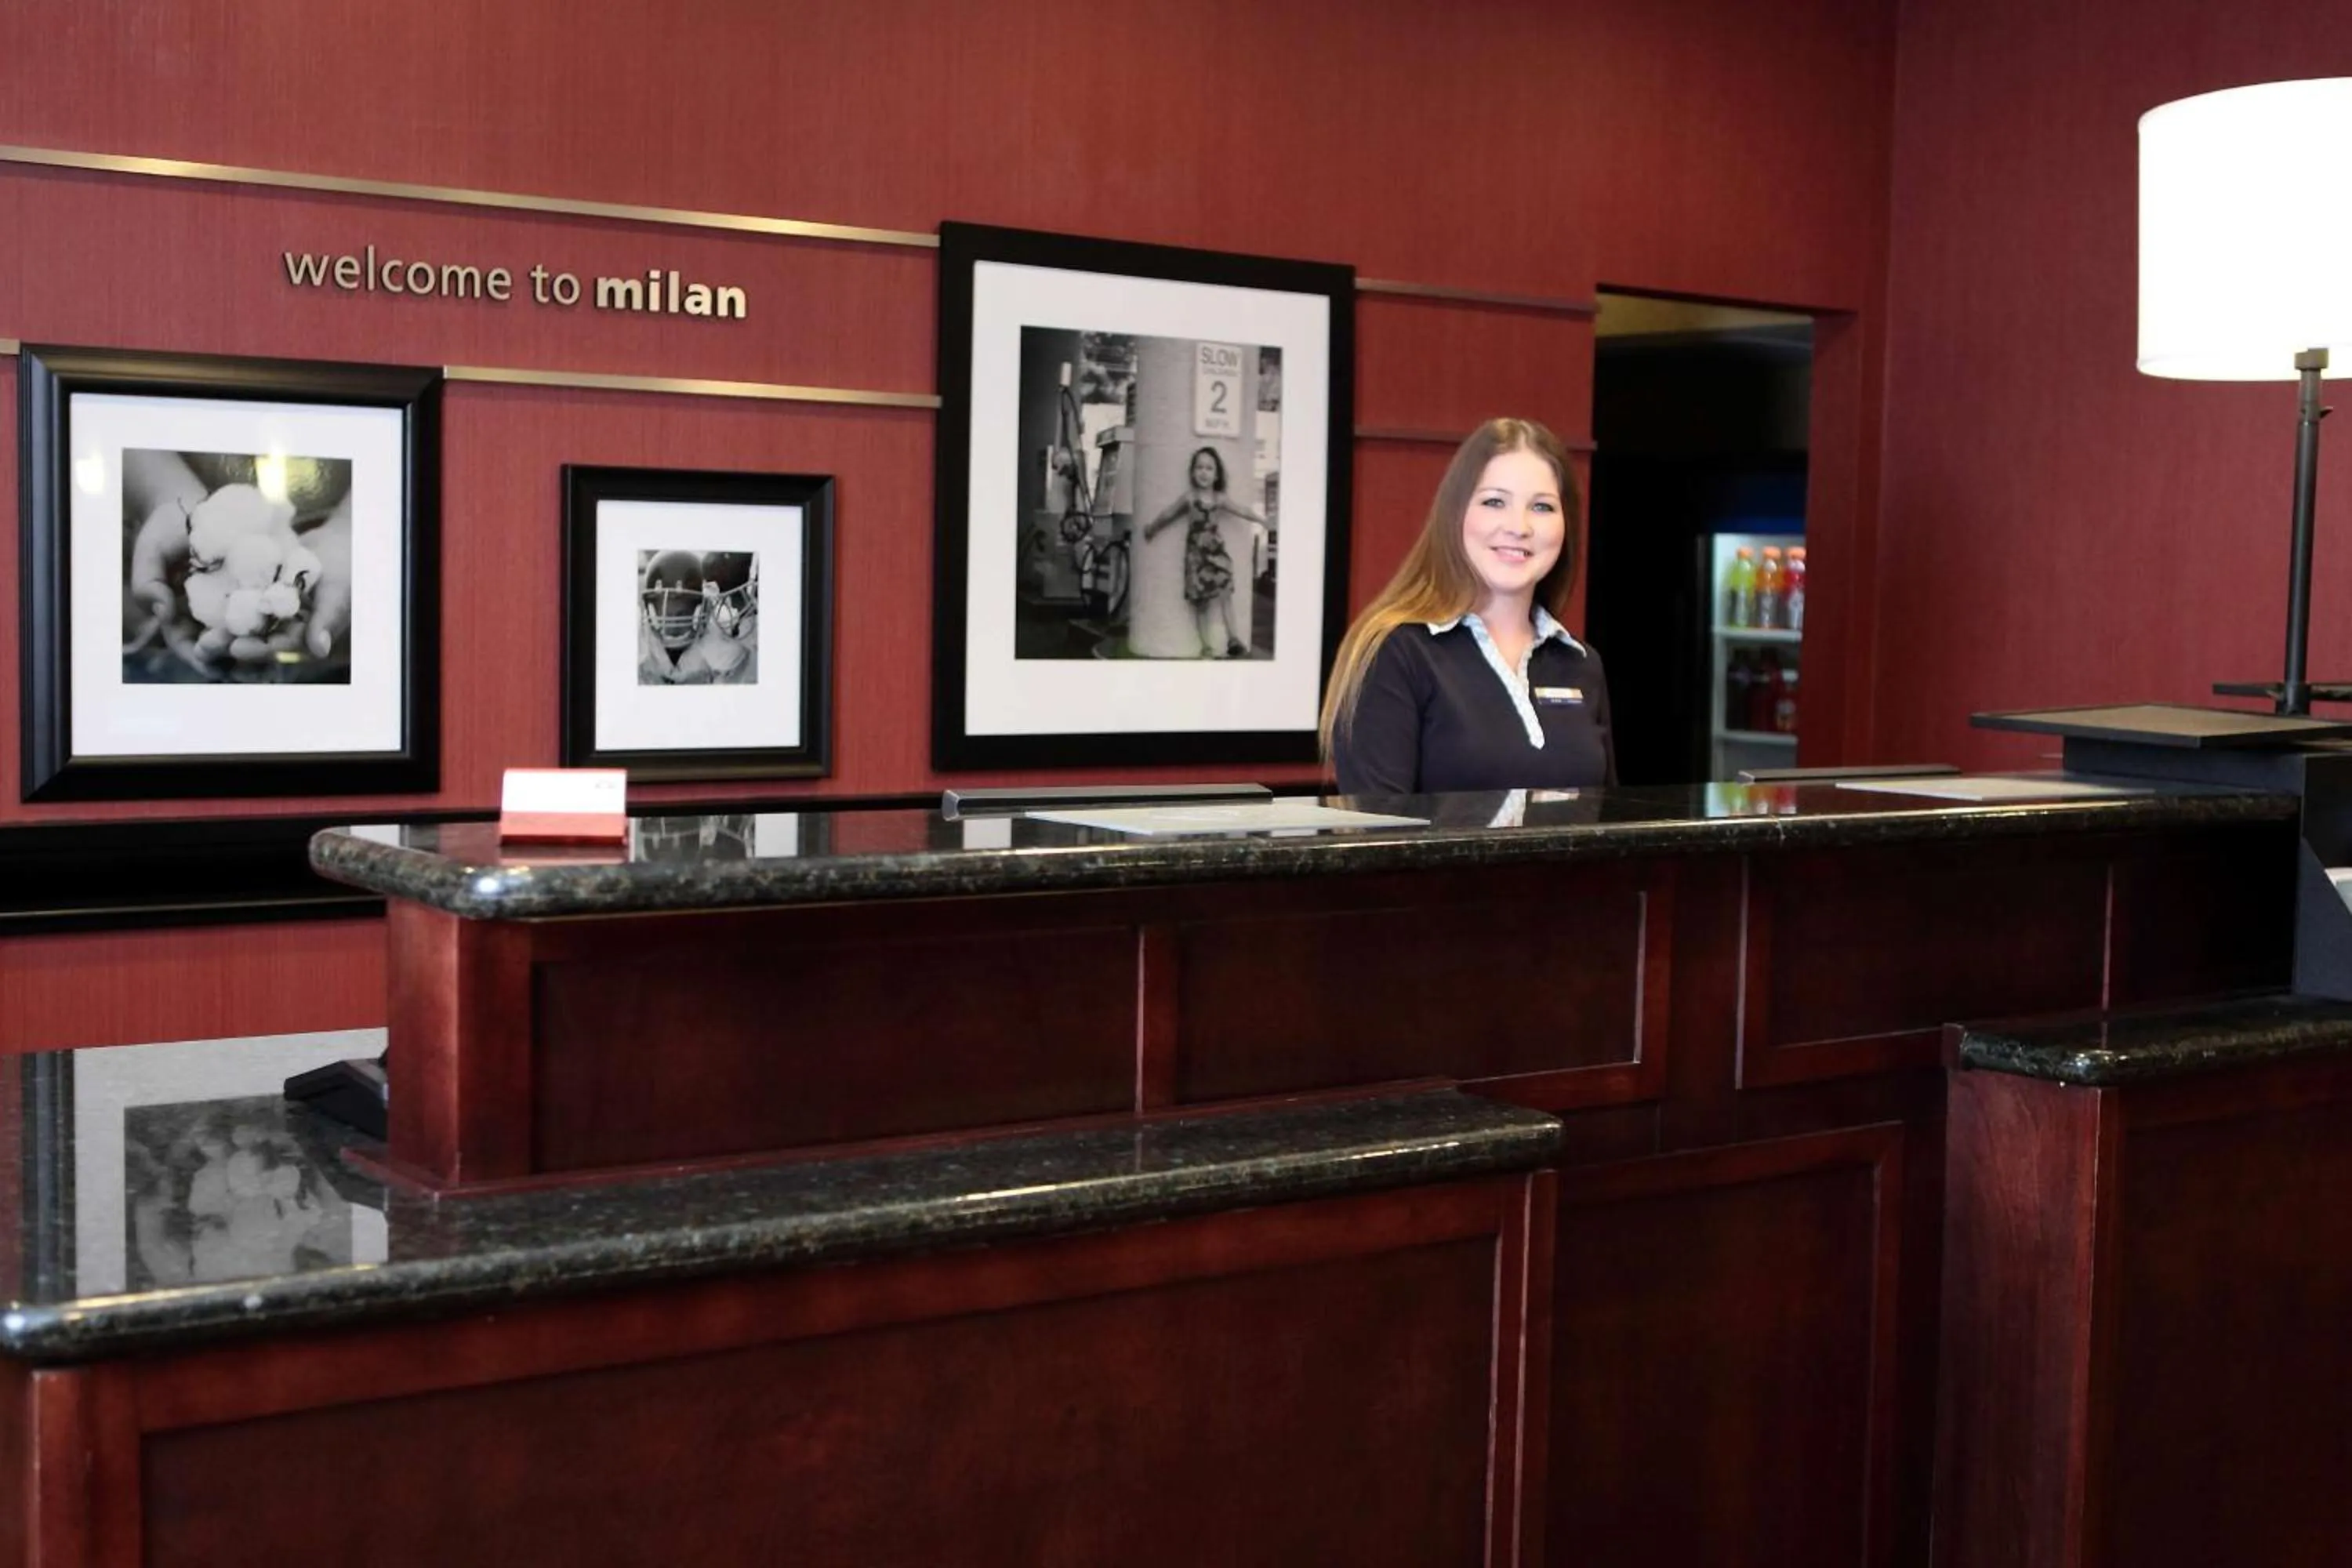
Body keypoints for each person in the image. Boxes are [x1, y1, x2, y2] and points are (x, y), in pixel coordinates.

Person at [1323, 417, 1613, 794]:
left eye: (1542, 507)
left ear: (1566, 524)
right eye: (1495, 502)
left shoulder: (1581, 664)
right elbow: (1376, 841)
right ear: (1456, 513)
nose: (1519, 526)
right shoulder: (1396, 653)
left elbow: (1608, 827)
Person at [1142, 446, 1268, 659]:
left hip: (1216, 553)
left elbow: (1242, 510)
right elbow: (1168, 514)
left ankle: (1233, 639)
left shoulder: (1219, 499)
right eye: (1199, 467)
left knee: (1225, 593)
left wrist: (1262, 520)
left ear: (1216, 474)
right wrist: (1152, 528)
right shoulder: (1189, 498)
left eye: (1209, 468)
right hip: (1196, 557)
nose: (1204, 472)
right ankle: (1206, 647)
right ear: (1193, 472)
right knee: (1201, 603)